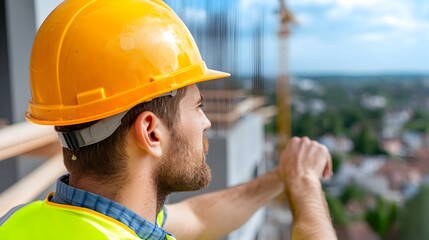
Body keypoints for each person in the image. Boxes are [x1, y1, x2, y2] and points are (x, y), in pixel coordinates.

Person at [0, 0, 337, 239]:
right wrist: (306, 183)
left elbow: (198, 218)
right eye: (198, 106)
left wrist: (283, 176)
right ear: (151, 132)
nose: (206, 122)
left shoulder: (19, 222)